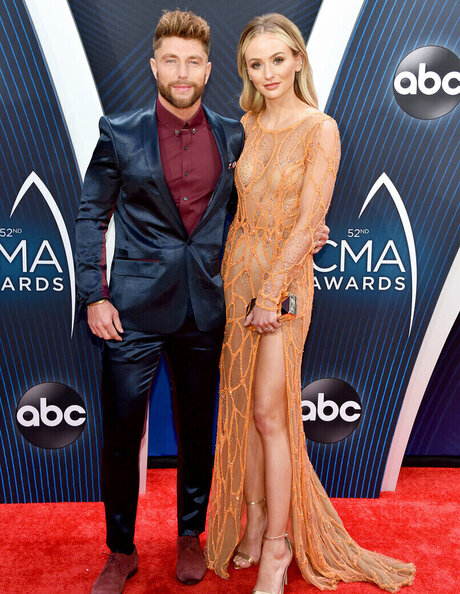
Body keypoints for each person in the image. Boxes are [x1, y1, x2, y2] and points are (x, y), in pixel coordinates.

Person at [75, 8, 331, 593]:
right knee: (122, 434)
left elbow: (251, 209)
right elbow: (91, 216)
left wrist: (306, 231)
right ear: (154, 66)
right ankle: (120, 550)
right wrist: (94, 296)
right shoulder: (119, 131)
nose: (182, 72)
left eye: (193, 62)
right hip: (131, 311)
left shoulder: (235, 132)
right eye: (171, 61)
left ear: (209, 69)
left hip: (210, 307)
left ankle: (190, 535)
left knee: (198, 431)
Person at [206, 13, 416, 594]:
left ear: (297, 59)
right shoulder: (244, 125)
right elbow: (229, 204)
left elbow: (308, 221)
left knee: (271, 415)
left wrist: (271, 293)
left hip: (284, 283)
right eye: (255, 64)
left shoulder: (321, 129)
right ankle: (252, 525)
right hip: (237, 273)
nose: (268, 73)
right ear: (246, 71)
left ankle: (277, 548)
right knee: (243, 410)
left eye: (278, 59)